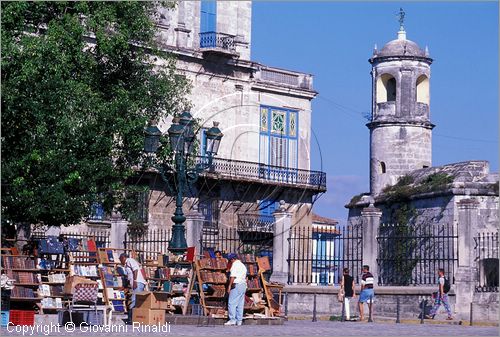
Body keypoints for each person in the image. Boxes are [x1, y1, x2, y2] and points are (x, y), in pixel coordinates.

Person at [119, 253, 147, 323]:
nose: (120, 261)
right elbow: (129, 276)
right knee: (135, 300)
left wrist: (135, 281)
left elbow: (135, 270)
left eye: (120, 259)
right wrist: (125, 286)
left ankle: (131, 319)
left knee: (134, 300)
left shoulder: (129, 260)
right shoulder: (126, 265)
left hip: (138, 283)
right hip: (135, 283)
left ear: (123, 258)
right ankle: (133, 318)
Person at [224, 253, 247, 326]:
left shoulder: (235, 265)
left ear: (232, 259)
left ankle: (232, 320)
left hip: (236, 284)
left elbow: (233, 276)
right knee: (240, 303)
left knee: (232, 303)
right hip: (243, 285)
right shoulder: (242, 265)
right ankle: (239, 320)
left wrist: (229, 286)